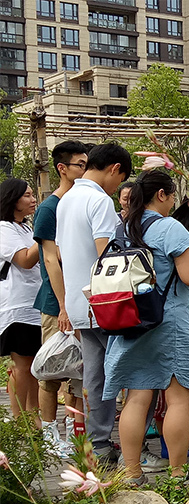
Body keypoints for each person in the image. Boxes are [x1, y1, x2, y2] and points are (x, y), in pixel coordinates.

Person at [108, 169, 189, 483]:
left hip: (133, 321)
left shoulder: (125, 227)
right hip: (168, 324)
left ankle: (132, 472)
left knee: (137, 397)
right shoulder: (169, 227)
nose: (173, 203)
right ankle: (178, 474)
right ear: (161, 195)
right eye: (172, 196)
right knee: (177, 397)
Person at [58, 142, 132, 466]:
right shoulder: (98, 200)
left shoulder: (66, 199)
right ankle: (131, 447)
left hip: (79, 302)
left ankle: (98, 446)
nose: (118, 189)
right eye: (121, 180)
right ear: (114, 169)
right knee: (131, 373)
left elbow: (61, 253)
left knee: (95, 376)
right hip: (104, 304)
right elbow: (107, 257)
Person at [34, 140, 88, 454]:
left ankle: (73, 432)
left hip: (81, 303)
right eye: (80, 164)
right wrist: (64, 304)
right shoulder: (49, 208)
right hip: (58, 303)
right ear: (62, 168)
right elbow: (51, 260)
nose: (84, 169)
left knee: (79, 371)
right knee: (52, 372)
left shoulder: (80, 203)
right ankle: (50, 434)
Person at [0, 179, 42, 422]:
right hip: (17, 305)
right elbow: (25, 260)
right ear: (12, 200)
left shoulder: (25, 228)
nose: (32, 199)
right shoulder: (4, 228)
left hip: (32, 303)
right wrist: (44, 234)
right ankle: (19, 420)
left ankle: (32, 415)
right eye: (26, 195)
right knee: (22, 365)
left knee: (34, 364)